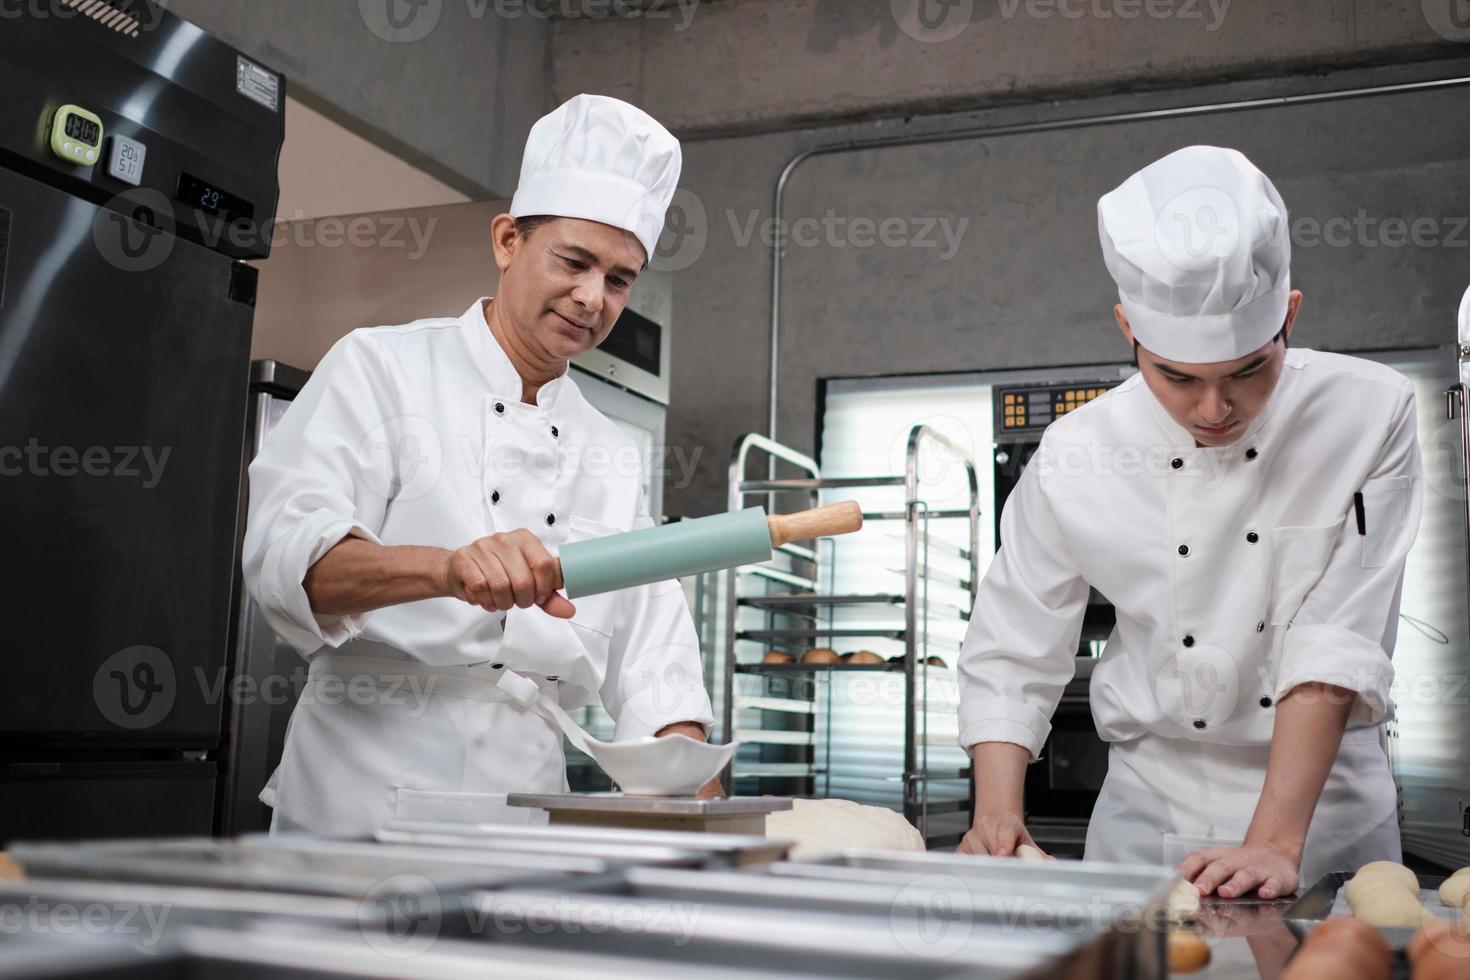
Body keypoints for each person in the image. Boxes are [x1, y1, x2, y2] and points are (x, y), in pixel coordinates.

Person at [956, 145, 1422, 900]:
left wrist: (1273, 840)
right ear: (1128, 333)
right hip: (1146, 814)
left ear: (1289, 319)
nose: (1214, 410)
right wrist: (998, 814)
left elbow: (1335, 639)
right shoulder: (1076, 453)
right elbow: (1014, 642)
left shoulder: (1371, 413)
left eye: (1248, 370)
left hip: (1323, 814)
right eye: (1177, 376)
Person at [243, 94, 716, 834]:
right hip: (358, 804)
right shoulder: (382, 368)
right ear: (506, 241)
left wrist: (687, 771)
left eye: (620, 279)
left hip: (521, 815)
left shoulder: (611, 452)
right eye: (575, 261)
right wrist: (446, 569)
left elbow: (654, 647)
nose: (593, 298)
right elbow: (286, 561)